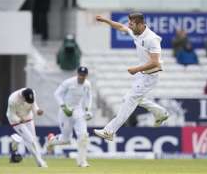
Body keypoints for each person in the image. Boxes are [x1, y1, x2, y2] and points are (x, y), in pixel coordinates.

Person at [94, 13, 169, 141]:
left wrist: (136, 69)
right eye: (129, 23)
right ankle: (161, 113)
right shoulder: (136, 32)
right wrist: (105, 20)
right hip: (142, 75)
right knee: (132, 98)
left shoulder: (152, 39)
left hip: (150, 76)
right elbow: (121, 27)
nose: (129, 26)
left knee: (129, 100)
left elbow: (155, 62)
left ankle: (109, 131)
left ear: (140, 24)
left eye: (132, 24)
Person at [47, 66, 92, 167]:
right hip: (65, 111)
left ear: (86, 76)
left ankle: (82, 162)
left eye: (84, 75)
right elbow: (57, 94)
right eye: (80, 75)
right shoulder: (68, 82)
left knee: (83, 136)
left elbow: (89, 97)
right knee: (66, 140)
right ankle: (51, 140)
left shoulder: (87, 84)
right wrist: (64, 107)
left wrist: (88, 110)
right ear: (77, 74)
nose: (82, 77)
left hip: (78, 110)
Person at [6, 88, 47, 167]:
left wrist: (37, 111)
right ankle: (39, 162)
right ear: (23, 97)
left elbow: (34, 105)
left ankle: (16, 140)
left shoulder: (33, 93)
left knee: (33, 140)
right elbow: (12, 115)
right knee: (30, 139)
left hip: (28, 118)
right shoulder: (12, 99)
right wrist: (19, 120)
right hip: (16, 120)